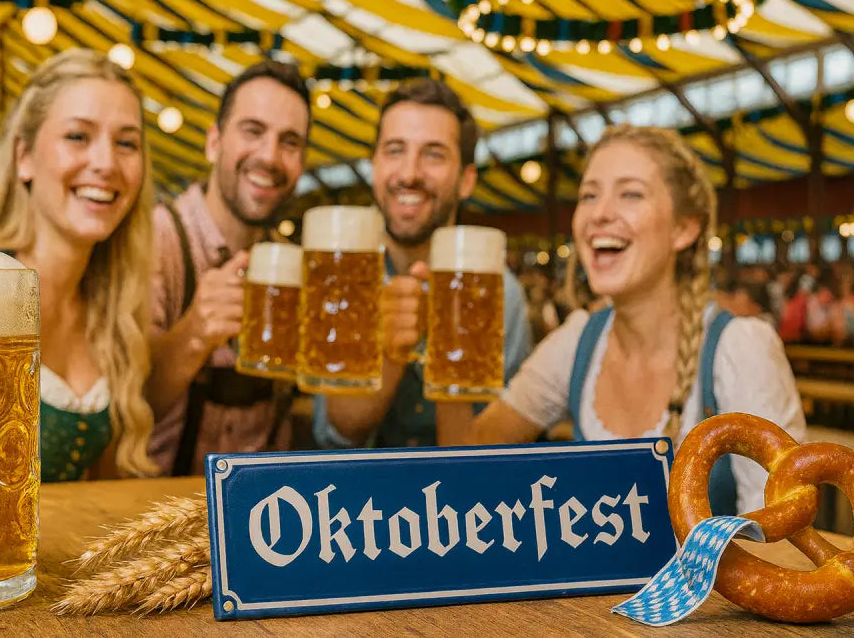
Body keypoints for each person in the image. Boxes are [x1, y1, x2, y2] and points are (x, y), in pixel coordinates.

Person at [424, 125, 805, 515]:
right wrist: (445, 343)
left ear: (684, 227)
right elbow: (465, 462)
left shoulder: (740, 348)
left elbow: (782, 538)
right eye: (589, 195)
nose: (600, 214)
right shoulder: (577, 341)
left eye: (631, 194)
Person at [0, 48, 158, 481]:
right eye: (78, 137)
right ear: (23, 156)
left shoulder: (116, 310)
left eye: (127, 143)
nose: (105, 163)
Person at [313, 79, 531, 449]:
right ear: (375, 166)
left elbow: (497, 455)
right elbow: (335, 437)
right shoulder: (340, 275)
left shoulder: (502, 294)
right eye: (395, 150)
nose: (410, 173)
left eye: (433, 154)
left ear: (466, 180)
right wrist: (388, 353)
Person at [146, 60, 310, 475]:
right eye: (253, 131)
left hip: (263, 516)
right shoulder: (155, 240)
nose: (270, 156)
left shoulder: (290, 262)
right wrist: (194, 332)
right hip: (160, 519)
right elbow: (122, 410)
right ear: (214, 143)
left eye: (289, 142)